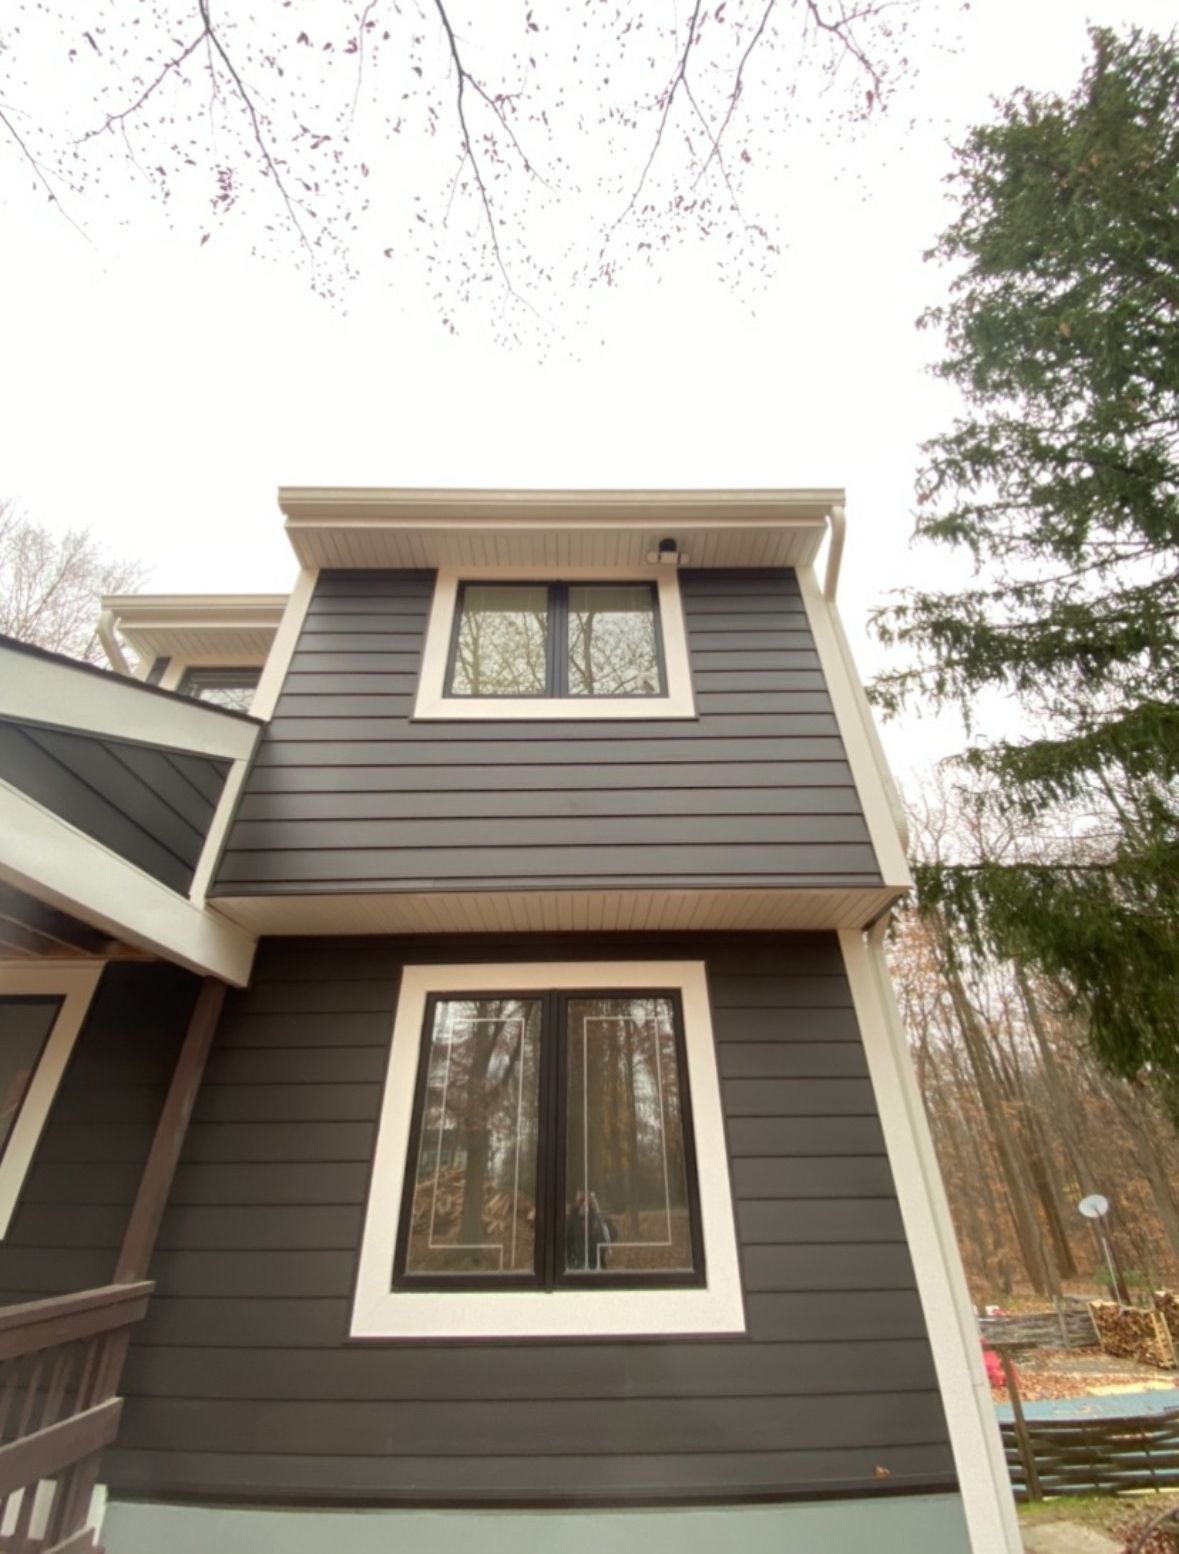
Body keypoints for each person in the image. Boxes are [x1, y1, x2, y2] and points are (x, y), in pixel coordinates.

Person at [565, 1189, 614, 1272]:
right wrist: (578, 1216)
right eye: (581, 1199)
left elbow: (612, 1235)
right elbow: (567, 1239)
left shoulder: (597, 1217)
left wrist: (598, 1213)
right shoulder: (571, 1219)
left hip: (596, 1264)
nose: (584, 1203)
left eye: (586, 1197)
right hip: (576, 1265)